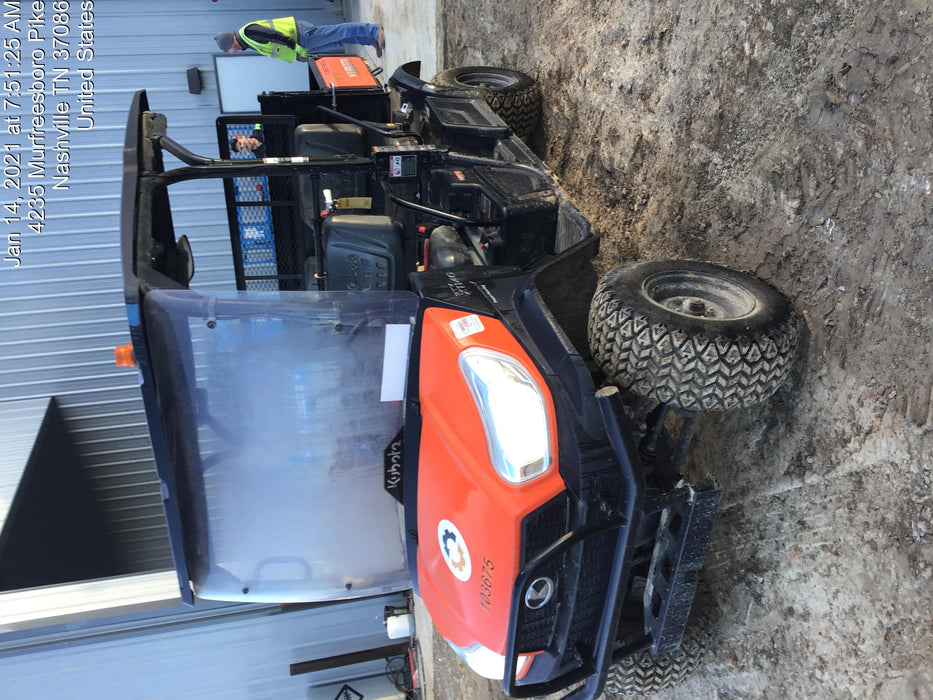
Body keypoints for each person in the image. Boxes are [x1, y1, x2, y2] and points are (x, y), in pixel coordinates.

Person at [214, 17, 385, 62]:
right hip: (299, 44)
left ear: (231, 42)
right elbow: (275, 49)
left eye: (228, 49)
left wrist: (294, 47)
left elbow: (275, 36)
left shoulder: (248, 32)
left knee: (337, 32)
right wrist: (297, 56)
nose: (231, 52)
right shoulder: (247, 43)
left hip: (299, 36)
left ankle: (373, 30)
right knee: (338, 41)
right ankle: (371, 40)